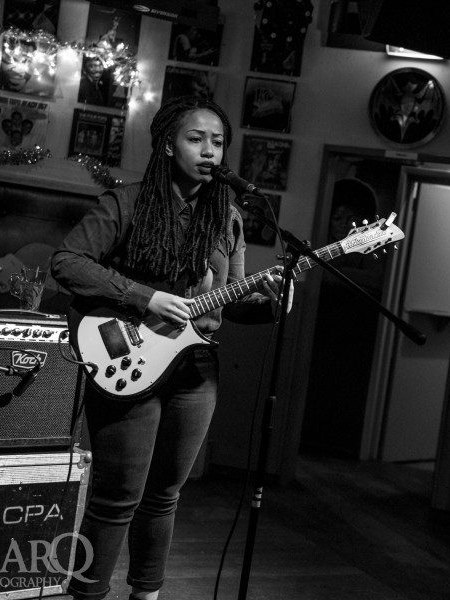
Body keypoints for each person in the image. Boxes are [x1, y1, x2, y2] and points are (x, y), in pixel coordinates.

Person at [51, 95, 293, 600]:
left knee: (164, 495)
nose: (209, 151)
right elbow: (68, 262)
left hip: (196, 368)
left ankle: (147, 593)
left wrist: (272, 302)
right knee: (118, 496)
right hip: (127, 358)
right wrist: (145, 297)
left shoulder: (227, 217)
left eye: (218, 142)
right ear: (167, 145)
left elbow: (231, 298)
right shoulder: (127, 202)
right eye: (196, 138)